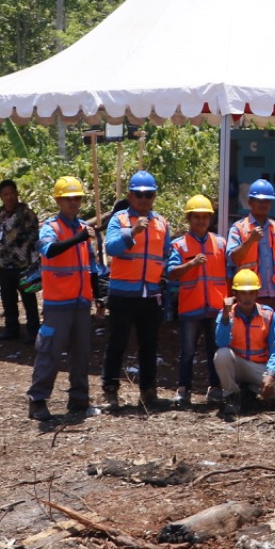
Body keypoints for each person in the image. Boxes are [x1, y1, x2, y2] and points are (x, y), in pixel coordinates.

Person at [27, 176, 100, 421]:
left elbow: (90, 265)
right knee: (50, 352)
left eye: (77, 198)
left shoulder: (82, 227)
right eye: (68, 199)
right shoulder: (51, 227)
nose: (73, 203)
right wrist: (78, 239)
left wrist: (98, 296)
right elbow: (48, 249)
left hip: (80, 303)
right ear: (58, 200)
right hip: (58, 303)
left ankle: (79, 399)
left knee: (81, 353)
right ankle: (38, 400)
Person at [103, 170, 170, 411]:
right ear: (130, 196)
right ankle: (110, 390)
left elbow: (166, 254)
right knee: (117, 343)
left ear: (154, 197)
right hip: (123, 293)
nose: (144, 199)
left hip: (150, 294)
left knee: (149, 344)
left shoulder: (161, 222)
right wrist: (132, 233)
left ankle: (148, 391)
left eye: (149, 195)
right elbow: (111, 247)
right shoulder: (119, 219)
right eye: (139, 195)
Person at [166, 194, 227, 407]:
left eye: (205, 217)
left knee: (215, 350)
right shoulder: (180, 245)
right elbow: (172, 273)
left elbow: (228, 271)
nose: (201, 221)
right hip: (191, 307)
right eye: (196, 217)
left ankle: (215, 388)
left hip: (215, 307)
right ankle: (184, 389)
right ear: (189, 219)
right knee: (188, 351)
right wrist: (191, 265)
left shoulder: (220, 243)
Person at [213, 268, 275, 417]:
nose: (247, 298)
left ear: (257, 294)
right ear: (235, 294)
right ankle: (232, 396)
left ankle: (248, 390)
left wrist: (271, 375)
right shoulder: (226, 313)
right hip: (237, 365)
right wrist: (226, 318)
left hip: (258, 366)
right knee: (221, 355)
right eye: (243, 293)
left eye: (251, 292)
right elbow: (220, 342)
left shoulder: (268, 314)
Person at [0, 179, 40, 342]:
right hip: (4, 264)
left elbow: (35, 235)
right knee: (8, 299)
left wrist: (18, 241)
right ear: (1, 196)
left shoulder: (26, 213)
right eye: (6, 194)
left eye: (12, 193)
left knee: (28, 298)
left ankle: (33, 331)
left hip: (23, 264)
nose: (9, 197)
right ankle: (11, 329)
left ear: (16, 194)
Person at [227, 179, 275, 316]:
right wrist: (250, 240)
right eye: (259, 200)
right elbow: (232, 259)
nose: (263, 204)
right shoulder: (238, 228)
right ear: (250, 202)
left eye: (267, 201)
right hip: (249, 295)